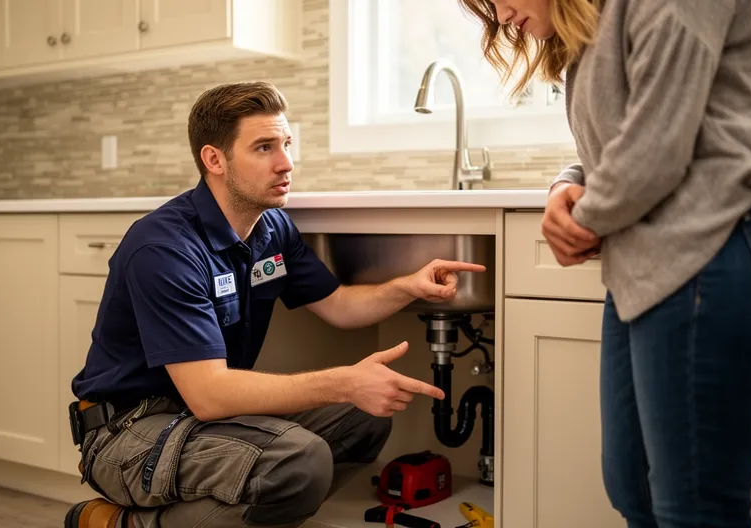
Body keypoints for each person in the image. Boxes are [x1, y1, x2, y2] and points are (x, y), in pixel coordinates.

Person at [457, 0, 751, 527]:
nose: (497, 13)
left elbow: (656, 146)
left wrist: (581, 216)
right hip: (652, 265)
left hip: (721, 246)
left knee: (693, 510)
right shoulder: (598, 28)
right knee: (633, 485)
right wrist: (569, 181)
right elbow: (624, 140)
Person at [63, 81, 486, 528]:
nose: (286, 163)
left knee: (365, 418)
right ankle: (120, 524)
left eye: (286, 144)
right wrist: (345, 381)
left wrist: (408, 287)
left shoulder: (272, 230)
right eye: (264, 147)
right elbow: (208, 394)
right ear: (215, 160)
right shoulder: (165, 247)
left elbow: (339, 305)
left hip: (199, 419)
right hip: (127, 433)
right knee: (297, 461)